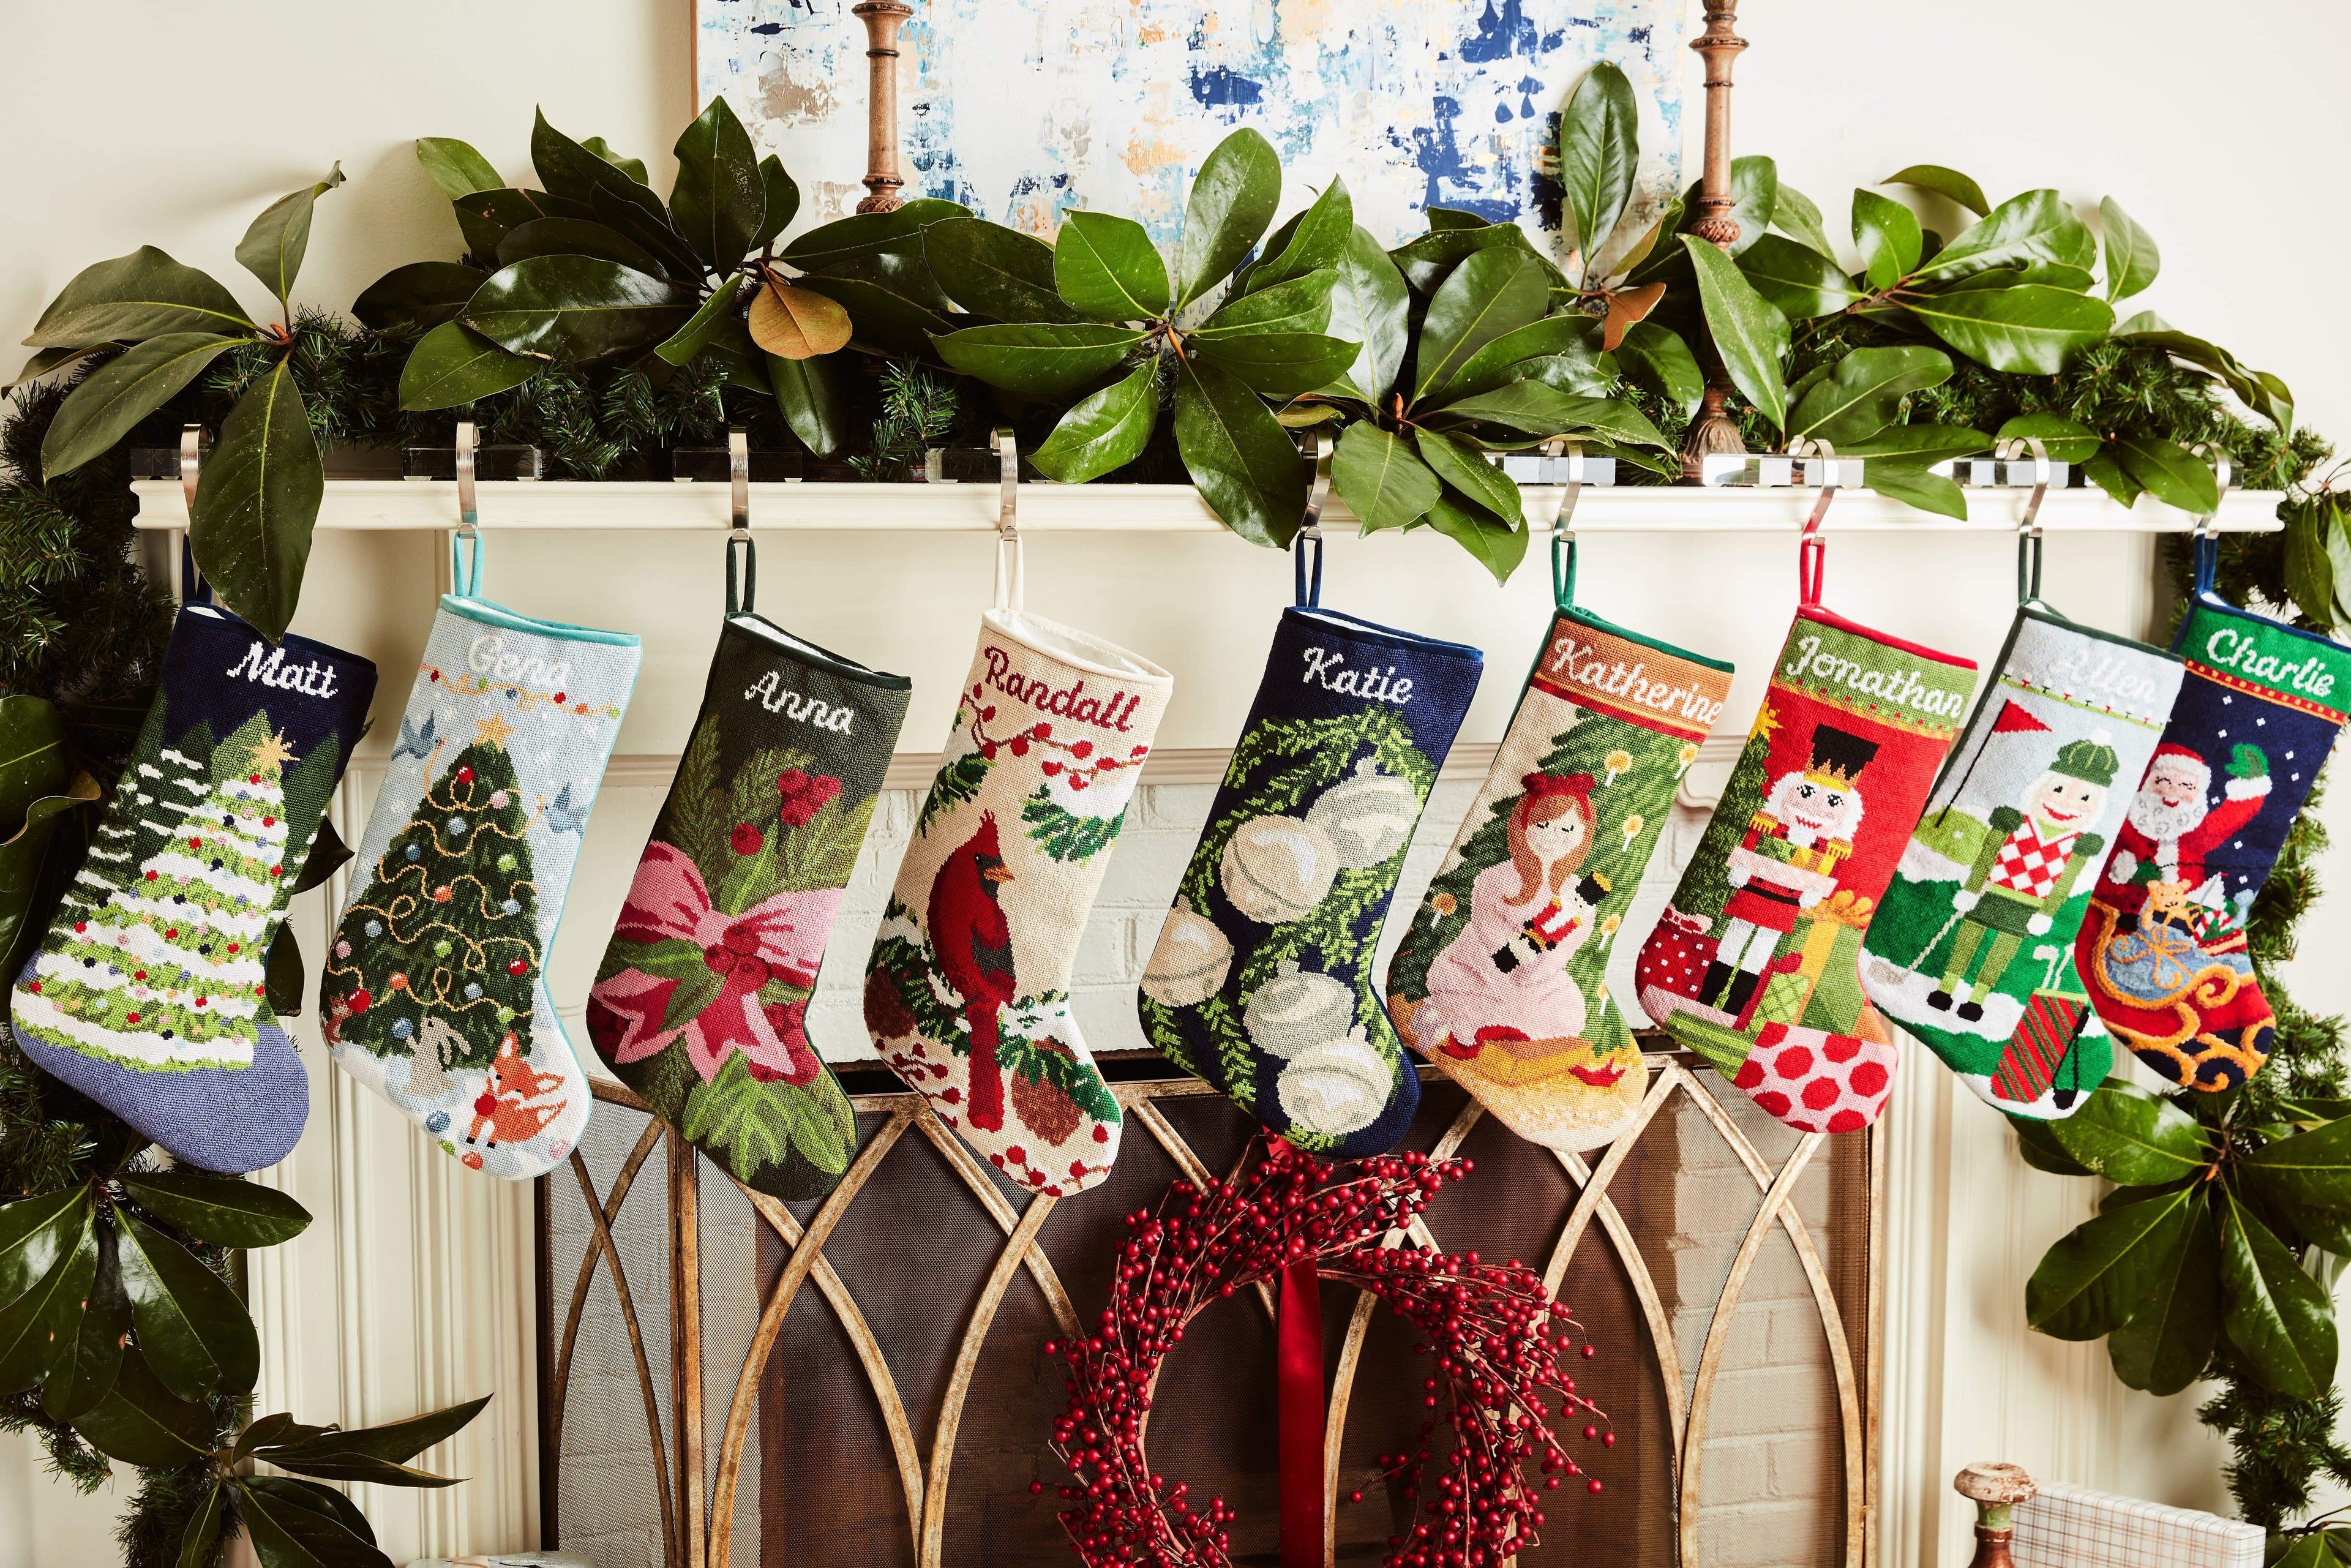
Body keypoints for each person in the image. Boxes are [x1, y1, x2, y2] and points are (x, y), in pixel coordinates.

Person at [1414, 773, 1608, 1063]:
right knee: (1484, 996)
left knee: (1569, 1008)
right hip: (1480, 967)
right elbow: (1487, 938)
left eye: (1568, 827)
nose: (1555, 834)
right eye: (1542, 825)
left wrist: (1537, 970)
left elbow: (1564, 953)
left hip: (1540, 978)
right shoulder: (1497, 877)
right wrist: (1514, 962)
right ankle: (1482, 1033)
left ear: (1584, 832)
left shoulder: (1577, 896)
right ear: (1523, 827)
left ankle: (1516, 1039)